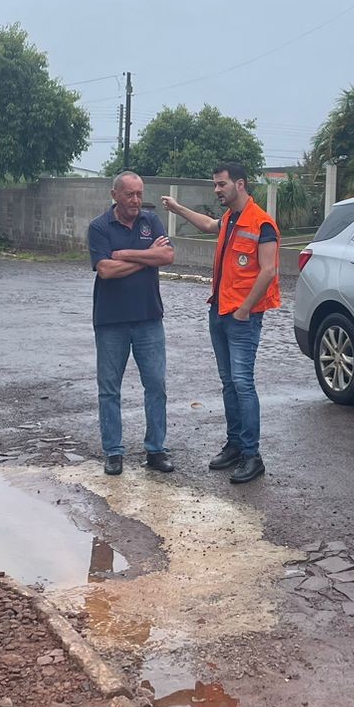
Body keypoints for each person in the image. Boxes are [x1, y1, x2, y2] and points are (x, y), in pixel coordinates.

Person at [161, 161, 280, 484]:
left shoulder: (262, 223)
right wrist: (177, 208)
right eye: (215, 185)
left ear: (240, 185)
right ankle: (235, 445)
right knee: (229, 383)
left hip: (243, 317)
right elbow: (207, 225)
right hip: (220, 312)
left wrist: (244, 310)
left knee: (243, 383)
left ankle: (252, 456)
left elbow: (268, 271)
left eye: (221, 185)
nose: (217, 190)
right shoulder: (230, 218)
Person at [89, 171, 176, 476]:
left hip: (149, 318)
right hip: (111, 321)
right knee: (109, 389)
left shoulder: (150, 222)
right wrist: (146, 257)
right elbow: (106, 271)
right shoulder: (99, 227)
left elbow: (166, 256)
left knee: (156, 386)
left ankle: (156, 449)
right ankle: (113, 452)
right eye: (130, 194)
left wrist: (125, 254)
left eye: (140, 194)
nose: (137, 200)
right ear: (115, 195)